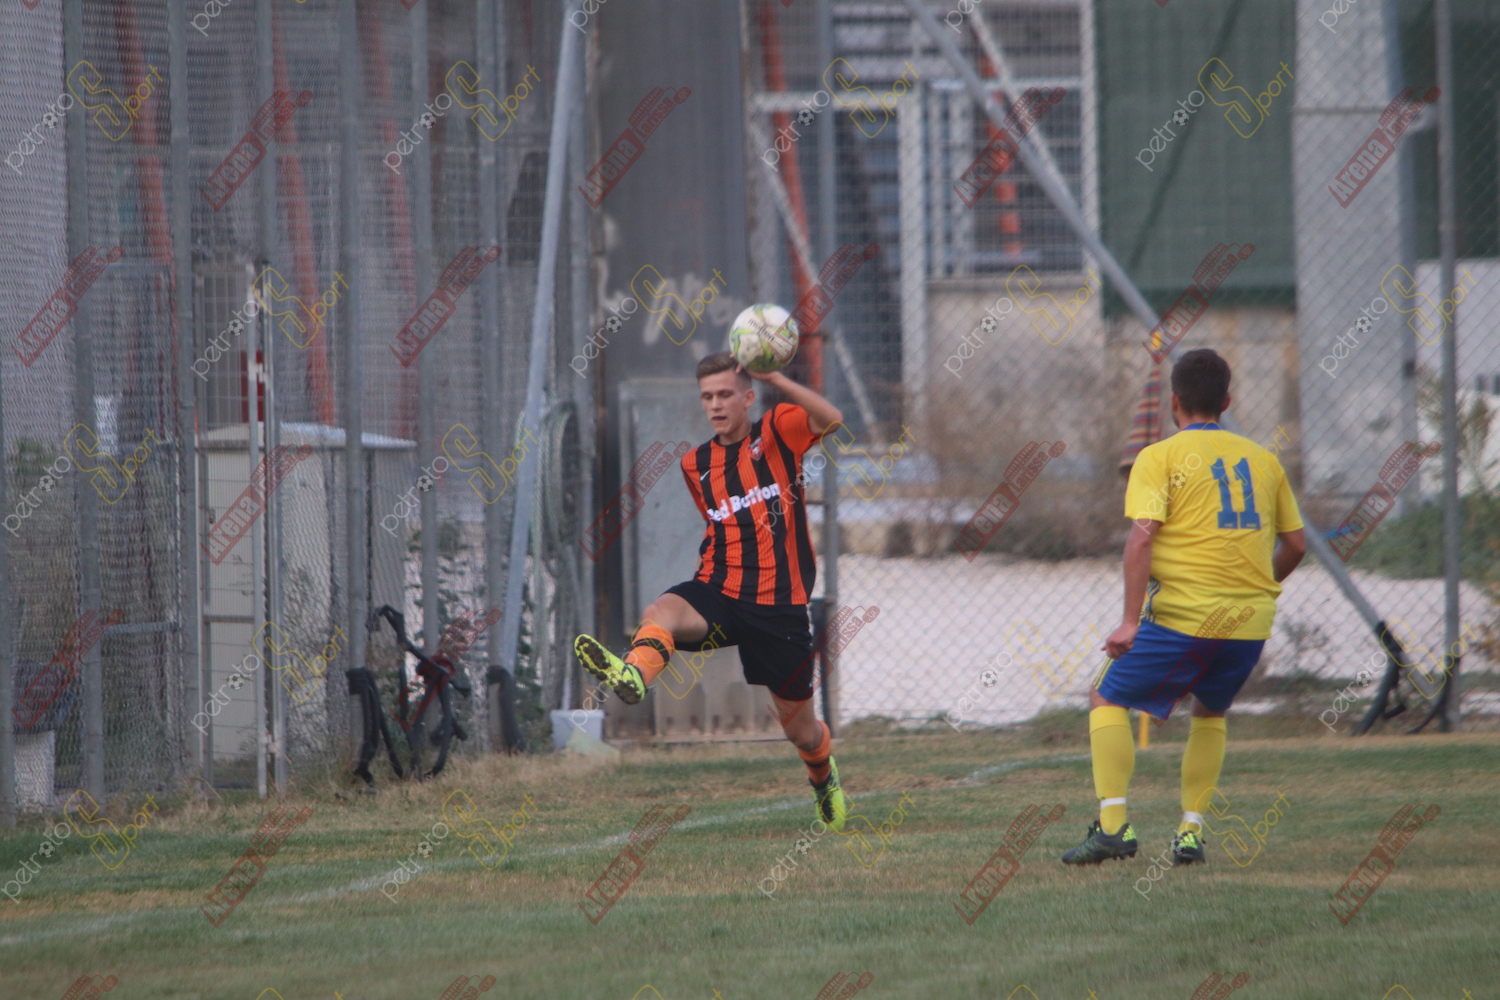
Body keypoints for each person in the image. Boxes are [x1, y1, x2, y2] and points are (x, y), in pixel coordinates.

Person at [573, 352, 852, 831]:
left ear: (748, 397)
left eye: (725, 394)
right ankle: (634, 675)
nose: (716, 405)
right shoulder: (695, 464)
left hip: (779, 608)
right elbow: (719, 526)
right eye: (707, 397)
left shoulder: (778, 429)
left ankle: (823, 777)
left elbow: (832, 420)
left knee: (801, 733)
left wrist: (776, 377)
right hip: (719, 590)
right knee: (660, 610)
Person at [1061, 349, 1306, 866]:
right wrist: (1256, 588)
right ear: (1227, 402)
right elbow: (1296, 546)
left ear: (1174, 401)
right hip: (1249, 622)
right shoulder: (1264, 460)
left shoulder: (1159, 457)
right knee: (1210, 712)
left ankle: (1113, 828)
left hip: (1185, 617)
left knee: (1106, 696)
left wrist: (1130, 621)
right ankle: (1190, 833)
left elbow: (1140, 540)